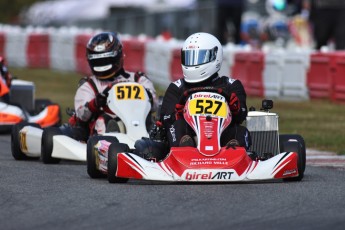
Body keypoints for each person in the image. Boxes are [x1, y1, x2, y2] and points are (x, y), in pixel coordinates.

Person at [134, 32, 251, 161]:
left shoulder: (231, 85)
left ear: (214, 56)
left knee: (241, 131)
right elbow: (166, 119)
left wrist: (236, 108)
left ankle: (234, 154)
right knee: (176, 127)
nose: (193, 63)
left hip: (221, 136)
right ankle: (185, 150)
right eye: (190, 57)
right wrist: (176, 114)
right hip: (188, 134)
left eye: (199, 57)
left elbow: (242, 115)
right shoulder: (176, 87)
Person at [64, 32, 158, 141]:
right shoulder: (89, 85)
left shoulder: (138, 79)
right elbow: (81, 116)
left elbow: (155, 105)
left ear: (118, 55)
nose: (102, 64)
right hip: (102, 127)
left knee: (154, 123)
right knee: (103, 121)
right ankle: (106, 146)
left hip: (139, 120)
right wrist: (95, 103)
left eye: (106, 60)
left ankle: (149, 142)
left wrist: (147, 96)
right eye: (98, 60)